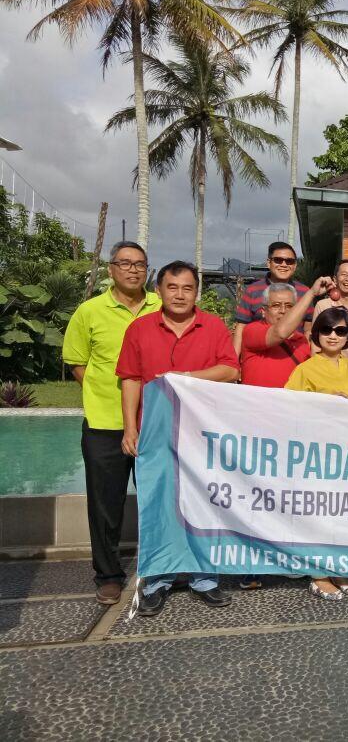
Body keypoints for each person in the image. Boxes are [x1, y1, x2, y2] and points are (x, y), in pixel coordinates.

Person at [116, 261, 239, 616]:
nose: (180, 294)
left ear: (196, 292)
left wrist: (185, 377)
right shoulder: (140, 329)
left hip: (201, 434)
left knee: (204, 504)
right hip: (155, 433)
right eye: (173, 287)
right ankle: (156, 579)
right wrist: (129, 427)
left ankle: (206, 577)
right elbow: (130, 379)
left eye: (187, 288)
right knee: (158, 505)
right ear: (159, 291)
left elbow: (231, 369)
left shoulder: (213, 326)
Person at [62, 241, 160, 606]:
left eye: (140, 264)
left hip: (153, 421)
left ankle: (159, 568)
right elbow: (77, 362)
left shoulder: (161, 307)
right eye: (125, 263)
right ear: (111, 269)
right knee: (105, 504)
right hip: (105, 422)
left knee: (158, 498)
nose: (133, 270)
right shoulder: (90, 312)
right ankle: (108, 574)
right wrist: (107, 394)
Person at [237, 276, 329, 590]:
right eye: (276, 306)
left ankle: (291, 558)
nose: (282, 311)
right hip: (256, 433)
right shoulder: (252, 332)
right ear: (263, 311)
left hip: (293, 435)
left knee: (289, 501)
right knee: (254, 499)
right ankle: (249, 566)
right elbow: (279, 332)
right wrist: (312, 295)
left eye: (288, 306)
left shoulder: (304, 345)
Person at [284, 306, 348, 600]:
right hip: (315, 453)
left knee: (341, 513)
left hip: (347, 454)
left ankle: (337, 565)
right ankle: (318, 573)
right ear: (317, 334)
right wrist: (323, 400)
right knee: (316, 513)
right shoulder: (304, 368)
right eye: (327, 330)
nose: (333, 335)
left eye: (341, 330)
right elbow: (288, 406)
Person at [232, 241, 311, 355]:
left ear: (294, 266)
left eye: (289, 261)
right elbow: (241, 328)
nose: (284, 265)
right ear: (269, 263)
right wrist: (234, 363)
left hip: (294, 357)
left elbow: (308, 329)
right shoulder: (252, 291)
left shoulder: (305, 292)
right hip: (260, 357)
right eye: (278, 260)